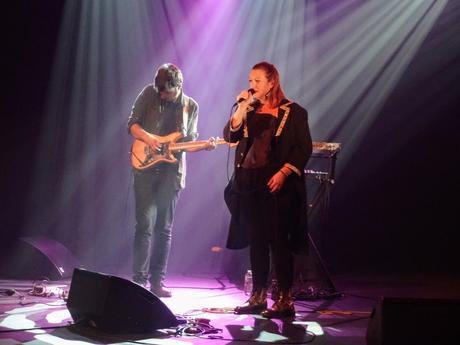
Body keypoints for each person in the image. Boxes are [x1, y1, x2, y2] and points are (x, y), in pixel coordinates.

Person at [223, 61, 312, 318]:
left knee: (278, 240)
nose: (252, 86)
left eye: (257, 81)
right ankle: (258, 295)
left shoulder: (293, 112)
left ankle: (284, 298)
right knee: (257, 240)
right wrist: (241, 108)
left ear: (271, 82)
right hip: (249, 183)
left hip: (276, 181)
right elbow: (230, 136)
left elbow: (302, 148)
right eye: (250, 81)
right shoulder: (249, 110)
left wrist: (284, 173)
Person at [127, 63, 214, 297]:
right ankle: (138, 281)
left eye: (166, 91)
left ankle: (157, 282)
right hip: (145, 169)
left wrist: (204, 147)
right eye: (160, 91)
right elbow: (132, 124)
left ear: (179, 86)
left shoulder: (190, 107)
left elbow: (188, 143)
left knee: (163, 229)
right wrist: (149, 138)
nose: (162, 95)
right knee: (143, 225)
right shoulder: (149, 93)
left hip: (171, 174)